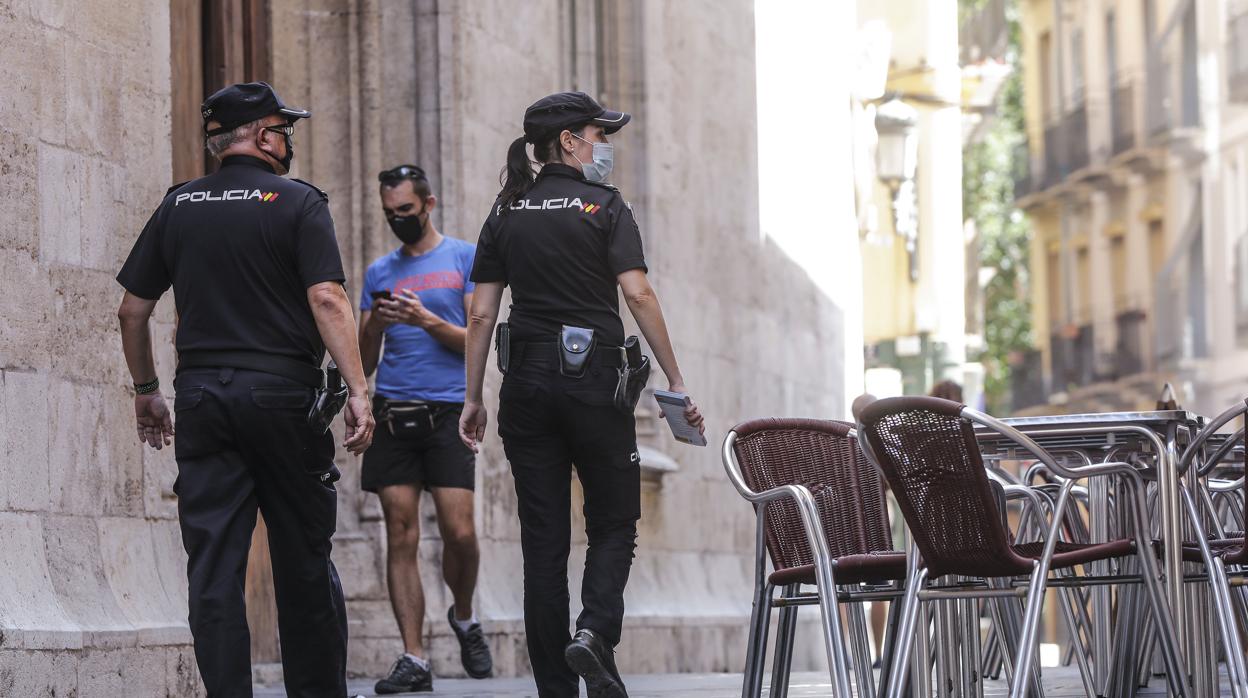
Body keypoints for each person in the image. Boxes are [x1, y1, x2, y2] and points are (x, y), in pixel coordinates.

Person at [115, 81, 374, 698]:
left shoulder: (178, 205)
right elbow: (327, 298)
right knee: (303, 561)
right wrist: (360, 389)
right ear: (262, 136)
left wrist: (147, 389)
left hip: (203, 399)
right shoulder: (298, 202)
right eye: (284, 130)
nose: (289, 142)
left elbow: (132, 309)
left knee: (212, 568)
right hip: (284, 400)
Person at [459, 91, 705, 698]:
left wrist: (473, 398)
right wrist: (675, 380)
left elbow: (483, 316)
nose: (606, 147)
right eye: (600, 134)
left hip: (527, 384)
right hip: (595, 380)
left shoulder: (506, 211)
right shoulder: (605, 206)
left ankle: (556, 688)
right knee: (614, 523)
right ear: (569, 140)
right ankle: (594, 633)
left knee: (543, 543)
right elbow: (639, 296)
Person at [358, 164, 493, 692]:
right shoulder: (378, 273)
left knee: (460, 532)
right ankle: (413, 657)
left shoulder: (462, 257)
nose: (399, 221)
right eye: (390, 214)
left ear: (429, 204)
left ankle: (463, 615)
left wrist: (426, 321)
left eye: (407, 212)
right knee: (400, 532)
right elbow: (365, 360)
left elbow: (474, 342)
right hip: (395, 410)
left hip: (447, 412)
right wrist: (376, 323)